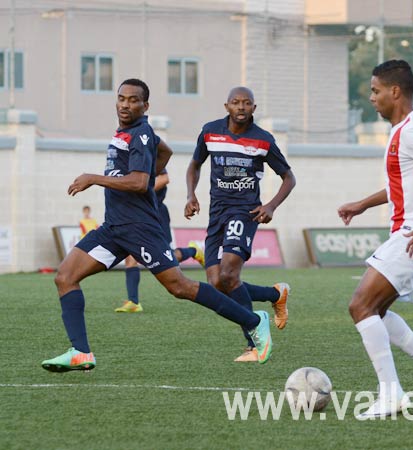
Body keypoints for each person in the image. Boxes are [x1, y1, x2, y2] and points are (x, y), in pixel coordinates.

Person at [41, 79, 273, 373]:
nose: (125, 104)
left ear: (145, 106)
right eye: (121, 98)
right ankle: (81, 353)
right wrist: (149, 170)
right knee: (65, 276)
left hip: (139, 227)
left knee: (180, 287)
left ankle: (254, 321)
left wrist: (95, 178)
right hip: (114, 227)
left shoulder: (139, 134)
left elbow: (138, 183)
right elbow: (166, 152)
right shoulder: (131, 132)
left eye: (133, 100)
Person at [337, 60, 413, 419]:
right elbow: (400, 186)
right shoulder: (401, 130)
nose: (371, 98)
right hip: (410, 233)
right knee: (377, 309)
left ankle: (391, 395)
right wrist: (361, 204)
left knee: (360, 306)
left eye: (375, 91)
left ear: (395, 91)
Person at [185, 86, 296, 362]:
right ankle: (275, 294)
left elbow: (289, 177)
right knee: (216, 282)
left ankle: (255, 343)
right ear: (227, 106)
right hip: (216, 213)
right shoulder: (210, 132)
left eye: (247, 103)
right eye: (236, 102)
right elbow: (195, 164)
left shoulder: (263, 140)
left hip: (245, 213)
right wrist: (191, 194)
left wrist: (270, 205)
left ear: (254, 108)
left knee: (229, 275)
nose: (242, 107)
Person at [115, 164, 204, 313]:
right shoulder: (127, 157)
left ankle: (193, 251)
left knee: (167, 258)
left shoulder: (149, 152)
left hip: (156, 213)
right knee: (130, 255)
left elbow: (164, 178)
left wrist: (140, 189)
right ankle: (133, 301)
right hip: (137, 214)